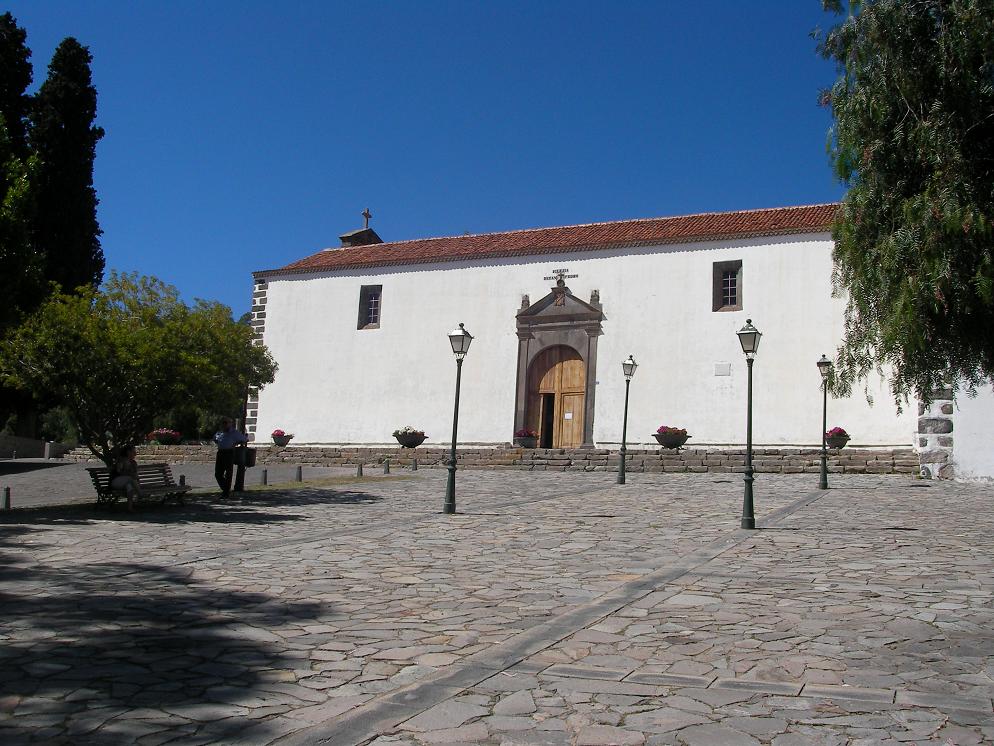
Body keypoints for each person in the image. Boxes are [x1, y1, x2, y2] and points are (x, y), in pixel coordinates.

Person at [214, 417, 248, 498]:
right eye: (223, 423)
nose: (224, 424)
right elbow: (215, 439)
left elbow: (245, 439)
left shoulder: (234, 432)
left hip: (229, 452)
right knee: (218, 474)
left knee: (228, 473)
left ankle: (226, 492)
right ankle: (225, 489)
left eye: (226, 423)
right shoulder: (219, 433)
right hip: (220, 452)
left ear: (230, 424)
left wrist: (236, 443)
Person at [110, 445, 141, 511]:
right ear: (128, 452)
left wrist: (133, 472)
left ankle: (130, 508)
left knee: (129, 487)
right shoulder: (121, 461)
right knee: (131, 478)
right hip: (116, 481)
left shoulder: (133, 463)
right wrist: (130, 474)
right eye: (133, 452)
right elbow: (119, 472)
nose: (135, 454)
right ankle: (140, 494)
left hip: (126, 482)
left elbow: (136, 475)